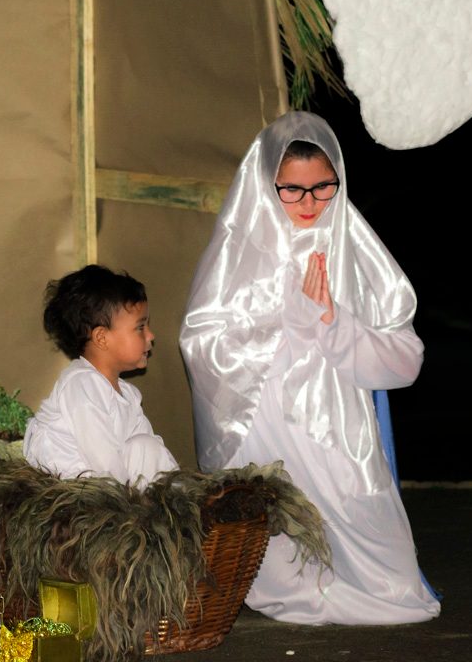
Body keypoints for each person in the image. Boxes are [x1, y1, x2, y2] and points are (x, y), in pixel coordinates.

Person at [179, 111, 440, 625]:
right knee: (283, 543)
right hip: (266, 418)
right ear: (265, 185)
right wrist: (285, 324)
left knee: (400, 587)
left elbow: (406, 359)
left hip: (338, 421)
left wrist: (334, 325)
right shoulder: (239, 250)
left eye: (323, 188)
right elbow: (201, 341)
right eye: (292, 191)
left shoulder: (357, 248)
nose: (310, 204)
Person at [23, 265, 179, 489]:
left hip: (107, 486)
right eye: (140, 327)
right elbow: (102, 461)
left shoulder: (129, 395)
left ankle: (182, 500)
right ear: (102, 338)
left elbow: (151, 457)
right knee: (144, 447)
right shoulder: (81, 384)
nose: (151, 335)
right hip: (75, 492)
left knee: (147, 446)